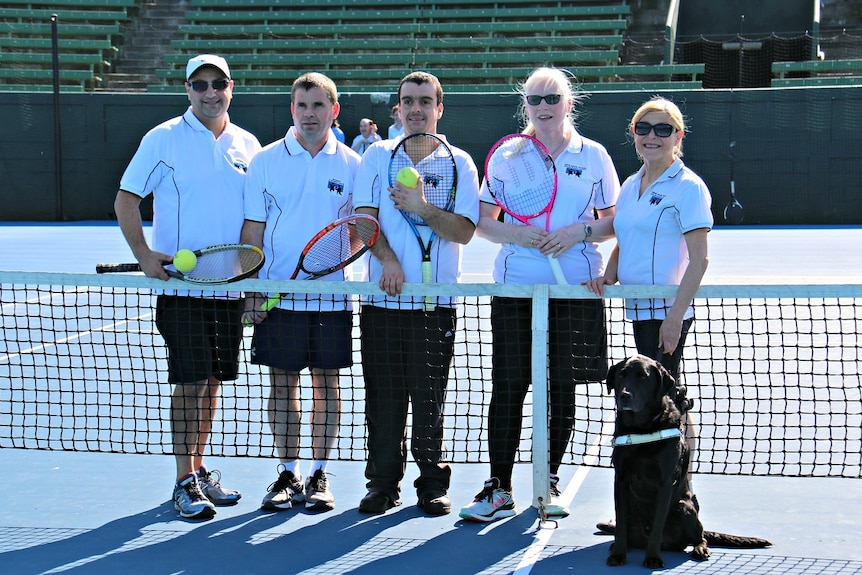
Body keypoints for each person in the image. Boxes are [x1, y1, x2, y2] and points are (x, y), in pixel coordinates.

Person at [458, 67, 620, 523]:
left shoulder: (594, 156)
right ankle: (499, 487)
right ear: (524, 105)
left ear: (570, 103)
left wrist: (576, 232)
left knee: (561, 386)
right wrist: (524, 237)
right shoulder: (508, 156)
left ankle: (548, 481)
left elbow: (612, 221)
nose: (544, 107)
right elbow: (484, 222)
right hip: (517, 287)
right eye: (535, 99)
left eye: (553, 99)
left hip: (574, 289)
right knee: (509, 385)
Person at [113, 54, 261, 519]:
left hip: (229, 291)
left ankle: (197, 470)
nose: (210, 92)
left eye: (218, 83)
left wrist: (253, 281)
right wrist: (142, 254)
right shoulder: (163, 139)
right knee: (190, 383)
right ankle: (183, 480)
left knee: (213, 383)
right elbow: (126, 200)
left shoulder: (248, 144)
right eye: (200, 85)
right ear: (187, 90)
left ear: (231, 87)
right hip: (182, 291)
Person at [352, 71, 480, 516]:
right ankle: (383, 485)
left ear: (438, 109)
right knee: (383, 400)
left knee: (430, 400)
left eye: (425, 101)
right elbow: (365, 221)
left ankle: (432, 485)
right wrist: (388, 259)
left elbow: (464, 232)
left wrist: (423, 207)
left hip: (434, 306)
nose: (416, 109)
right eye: (408, 101)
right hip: (382, 303)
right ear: (398, 109)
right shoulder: (375, 158)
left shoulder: (460, 162)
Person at [240, 72, 361, 513]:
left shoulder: (352, 164)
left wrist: (328, 265)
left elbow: (358, 230)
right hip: (277, 299)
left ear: (334, 110)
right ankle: (288, 472)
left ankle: (318, 473)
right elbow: (252, 231)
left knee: (327, 384)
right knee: (282, 385)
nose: (310, 115)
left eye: (318, 106)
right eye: (302, 106)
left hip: (331, 299)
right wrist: (252, 288)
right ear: (292, 109)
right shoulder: (266, 161)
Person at [584, 95, 712, 498]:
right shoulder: (630, 183)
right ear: (634, 135)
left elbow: (699, 261)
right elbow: (625, 240)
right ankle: (659, 490)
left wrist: (675, 317)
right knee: (659, 399)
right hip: (639, 310)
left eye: (662, 129)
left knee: (668, 400)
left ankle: (680, 492)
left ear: (678, 136)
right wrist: (608, 274)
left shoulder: (689, 188)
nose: (651, 136)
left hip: (667, 314)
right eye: (644, 129)